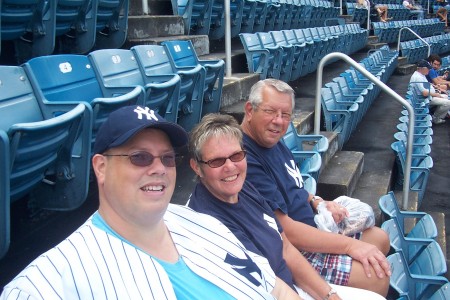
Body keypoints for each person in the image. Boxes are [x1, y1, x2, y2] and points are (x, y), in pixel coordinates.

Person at [0, 105, 299, 300]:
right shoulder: (49, 281)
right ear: (101, 167)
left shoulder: (204, 223)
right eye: (139, 157)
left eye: (167, 158)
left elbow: (274, 287)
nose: (159, 168)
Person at [187, 113, 387, 300]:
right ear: (197, 167)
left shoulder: (244, 188)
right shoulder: (208, 223)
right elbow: (265, 288)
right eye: (217, 161)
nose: (230, 167)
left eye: (237, 156)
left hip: (292, 282)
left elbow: (285, 247)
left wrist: (329, 295)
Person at [240, 79, 391, 297]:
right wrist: (349, 246)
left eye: (285, 115)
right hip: (297, 248)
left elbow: (294, 187)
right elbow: (287, 231)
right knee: (377, 277)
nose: (278, 121)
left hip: (314, 225)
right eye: (270, 111)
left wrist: (318, 201)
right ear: (249, 110)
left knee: (380, 238)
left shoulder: (272, 140)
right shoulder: (246, 159)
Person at [410, 59, 450, 124]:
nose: (429, 70)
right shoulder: (418, 77)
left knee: (445, 96)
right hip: (423, 99)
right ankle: (436, 118)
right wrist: (436, 94)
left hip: (427, 97)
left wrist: (435, 87)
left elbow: (426, 84)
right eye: (428, 69)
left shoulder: (420, 74)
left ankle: (438, 115)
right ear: (423, 68)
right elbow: (424, 93)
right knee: (448, 102)